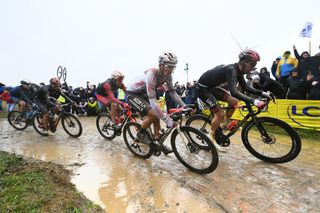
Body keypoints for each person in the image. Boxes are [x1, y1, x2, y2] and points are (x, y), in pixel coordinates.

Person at [196, 49, 272, 152]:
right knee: (220, 113)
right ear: (245, 63)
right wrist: (255, 101)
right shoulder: (231, 70)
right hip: (202, 88)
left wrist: (262, 93)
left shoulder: (239, 72)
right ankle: (211, 138)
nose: (253, 68)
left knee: (234, 102)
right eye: (252, 65)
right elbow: (234, 91)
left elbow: (245, 88)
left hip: (212, 87)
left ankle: (225, 125)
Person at [126, 52, 186, 153]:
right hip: (133, 93)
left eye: (173, 67)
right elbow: (153, 101)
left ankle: (158, 141)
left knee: (156, 114)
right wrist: (166, 119)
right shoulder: (152, 74)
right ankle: (140, 134)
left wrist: (184, 105)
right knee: (154, 114)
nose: (171, 70)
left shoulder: (168, 76)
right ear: (161, 65)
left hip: (144, 93)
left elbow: (172, 92)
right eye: (169, 67)